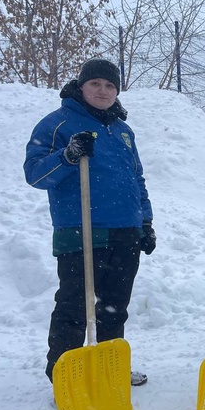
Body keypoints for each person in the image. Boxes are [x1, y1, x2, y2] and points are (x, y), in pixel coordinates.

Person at [24, 58, 155, 387]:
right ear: (81, 86)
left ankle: (111, 368)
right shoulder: (58, 124)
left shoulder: (123, 132)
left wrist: (146, 222)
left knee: (114, 307)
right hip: (79, 230)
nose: (103, 90)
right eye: (96, 83)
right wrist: (67, 156)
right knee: (74, 307)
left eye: (110, 85)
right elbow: (35, 174)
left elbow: (136, 180)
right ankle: (64, 377)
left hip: (125, 232)